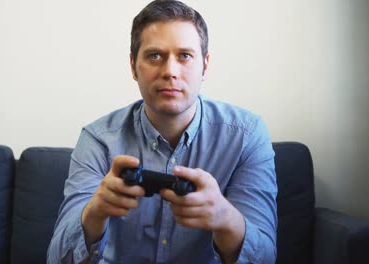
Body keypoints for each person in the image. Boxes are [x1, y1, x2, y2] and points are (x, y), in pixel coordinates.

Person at [47, 0, 277, 263]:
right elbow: (57, 259)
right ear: (133, 66)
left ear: (205, 65)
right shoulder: (98, 140)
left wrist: (225, 217)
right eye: (155, 56)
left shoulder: (247, 136)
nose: (170, 71)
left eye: (185, 56)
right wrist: (95, 213)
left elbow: (266, 257)